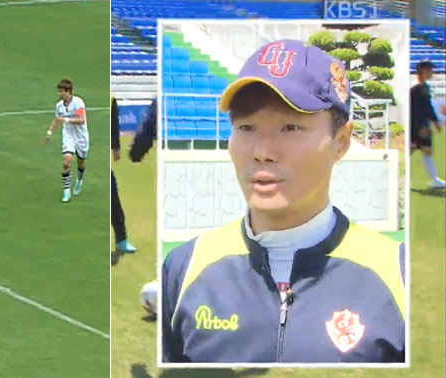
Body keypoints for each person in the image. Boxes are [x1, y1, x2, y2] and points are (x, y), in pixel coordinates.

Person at [161, 40, 405, 364]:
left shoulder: (398, 275)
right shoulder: (182, 269)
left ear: (341, 141)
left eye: (289, 127)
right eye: (246, 127)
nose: (262, 151)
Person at [45, 78, 89, 203]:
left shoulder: (78, 103)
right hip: (68, 135)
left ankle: (79, 180)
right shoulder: (59, 106)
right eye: (59, 91)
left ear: (68, 91)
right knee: (67, 161)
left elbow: (81, 120)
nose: (60, 94)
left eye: (62, 91)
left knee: (81, 162)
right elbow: (57, 119)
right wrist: (49, 133)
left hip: (81, 136)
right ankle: (66, 191)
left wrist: (66, 120)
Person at [410, 60, 445, 189]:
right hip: (420, 125)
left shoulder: (420, 86)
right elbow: (423, 109)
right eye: (430, 70)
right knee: (423, 150)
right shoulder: (419, 88)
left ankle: (434, 179)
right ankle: (434, 179)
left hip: (419, 124)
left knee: (420, 150)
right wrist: (422, 126)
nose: (432, 73)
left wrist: (434, 121)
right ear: (423, 70)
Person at [111, 94, 136, 253]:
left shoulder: (111, 99)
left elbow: (114, 124)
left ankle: (122, 240)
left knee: (113, 197)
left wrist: (116, 147)